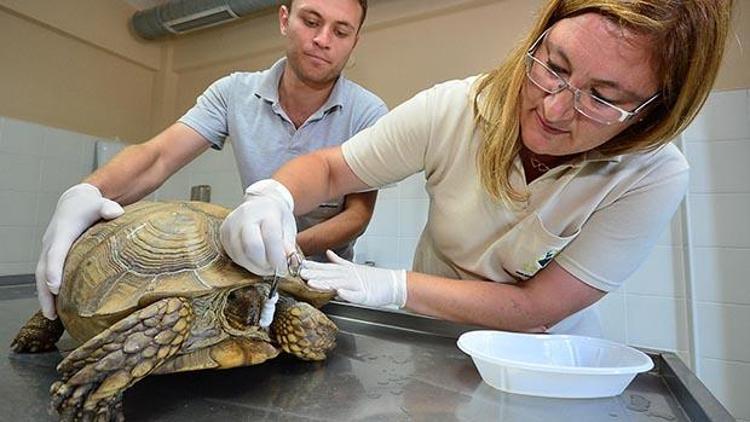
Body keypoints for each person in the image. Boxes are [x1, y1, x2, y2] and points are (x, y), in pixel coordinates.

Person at [220, 0, 733, 336]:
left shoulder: (653, 174)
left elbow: (537, 306)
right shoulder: (456, 108)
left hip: (541, 350)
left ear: (653, 111)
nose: (554, 110)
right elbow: (332, 171)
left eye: (603, 98)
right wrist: (274, 196)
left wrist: (393, 287)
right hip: (433, 335)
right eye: (553, 66)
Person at [34, 0, 387, 321]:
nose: (323, 39)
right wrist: (88, 191)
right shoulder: (234, 93)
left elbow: (357, 214)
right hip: (249, 278)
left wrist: (289, 249)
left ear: (354, 41)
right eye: (311, 21)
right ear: (284, 20)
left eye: (341, 31)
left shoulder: (367, 113)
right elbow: (158, 156)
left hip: (323, 285)